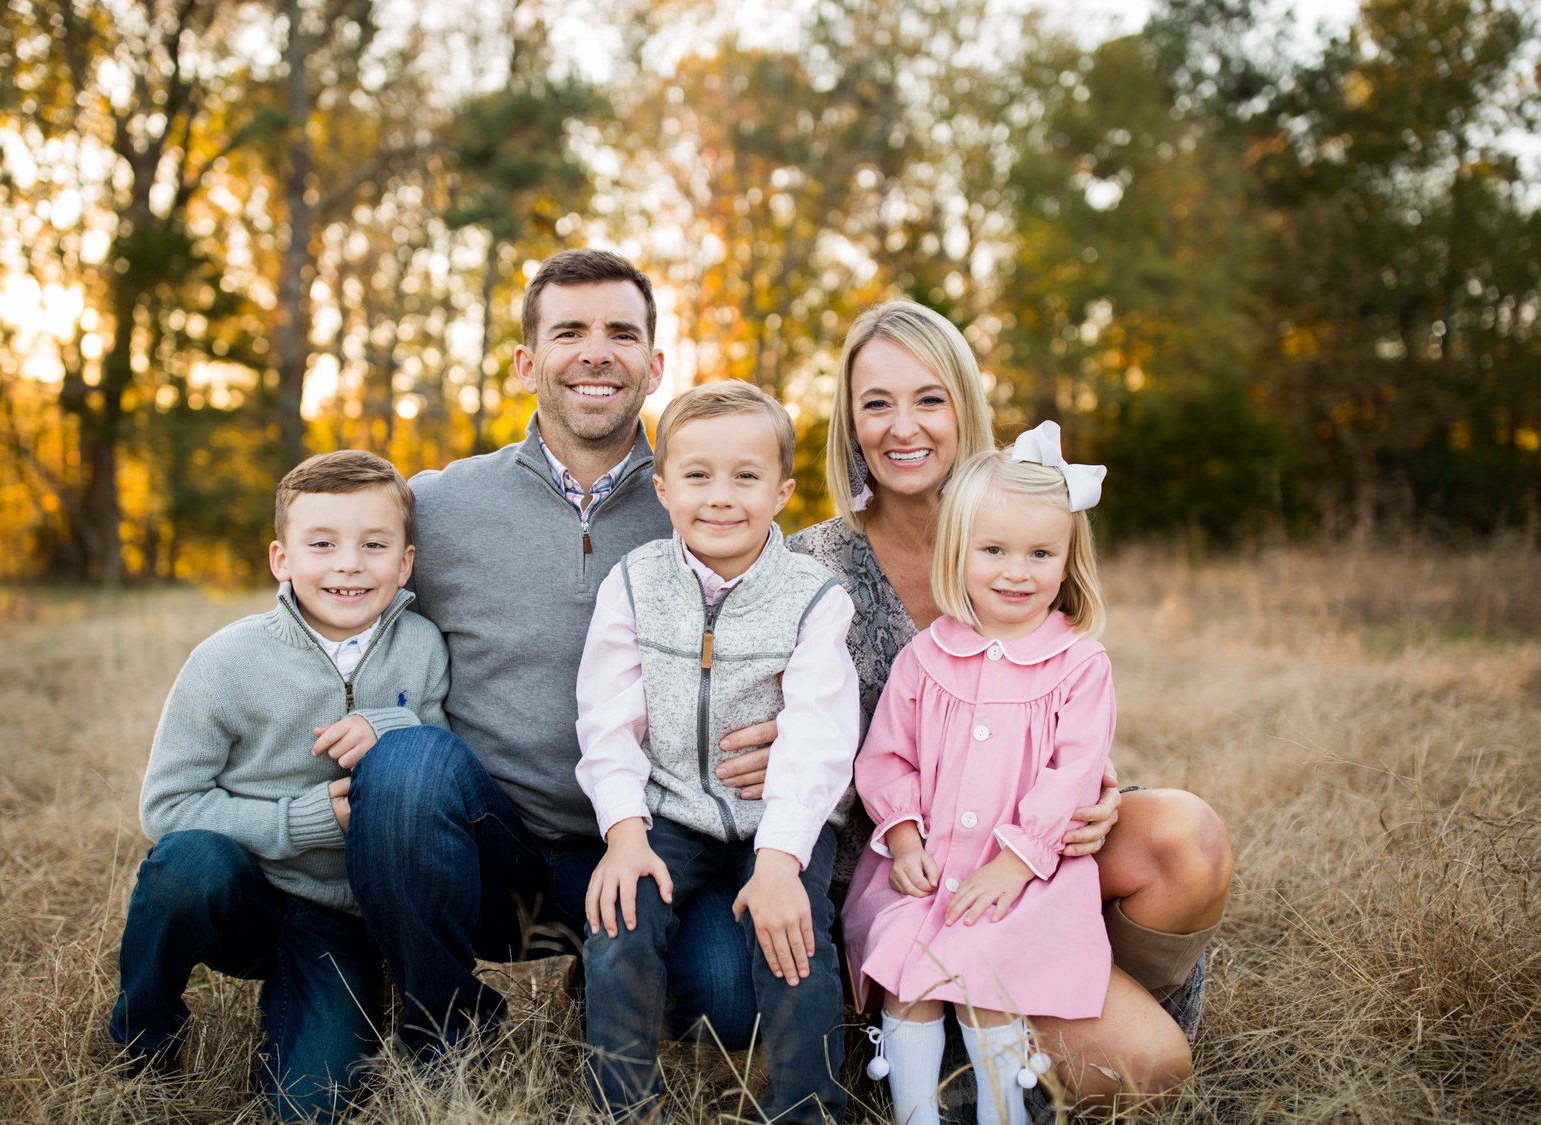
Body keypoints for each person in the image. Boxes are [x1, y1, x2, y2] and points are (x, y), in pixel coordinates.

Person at [777, 299, 1232, 1107]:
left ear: (965, 405)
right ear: (849, 422)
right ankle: (924, 1031)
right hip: (905, 874)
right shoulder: (809, 567)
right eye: (876, 402)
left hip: (1028, 854)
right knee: (1149, 1068)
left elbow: (1061, 695)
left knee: (1186, 839)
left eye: (929, 397)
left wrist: (1091, 785)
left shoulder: (1022, 522)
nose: (902, 425)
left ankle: (1056, 985)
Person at [339, 249, 766, 1064]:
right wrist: (369, 717)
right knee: (404, 767)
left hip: (653, 849)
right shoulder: (437, 504)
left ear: (655, 363)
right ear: (528, 362)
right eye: (569, 331)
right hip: (489, 846)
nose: (596, 352)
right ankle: (445, 1026)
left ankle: (602, 969)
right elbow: (338, 616)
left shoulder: (712, 507)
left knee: (731, 1002)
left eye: (621, 333)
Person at [109, 450, 452, 1122]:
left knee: (315, 1104)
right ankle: (144, 1033)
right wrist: (302, 820)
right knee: (186, 863)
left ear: (405, 562)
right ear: (281, 558)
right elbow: (167, 806)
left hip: (342, 916)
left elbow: (443, 760)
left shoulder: (424, 646)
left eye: (373, 544)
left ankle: (336, 1000)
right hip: (247, 890)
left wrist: (392, 724)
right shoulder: (226, 660)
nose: (348, 563)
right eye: (321, 544)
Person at [846, 425, 1154, 1125]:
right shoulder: (927, 658)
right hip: (928, 872)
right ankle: (918, 1114)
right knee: (908, 971)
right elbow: (887, 756)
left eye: (1040, 553)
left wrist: (1016, 862)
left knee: (988, 972)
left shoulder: (1078, 665)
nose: (1017, 572)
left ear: (1069, 560)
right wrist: (902, 841)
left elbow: (1073, 773)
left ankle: (1001, 1114)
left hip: (1026, 881)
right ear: (960, 553)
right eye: (994, 551)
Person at [574, 381, 857, 1122]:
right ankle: (626, 1104)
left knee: (791, 931)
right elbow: (607, 720)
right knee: (620, 914)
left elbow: (818, 736)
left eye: (746, 476)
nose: (720, 497)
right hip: (669, 808)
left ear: (783, 490)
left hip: (780, 819)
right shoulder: (633, 584)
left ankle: (808, 1105)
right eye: (697, 475)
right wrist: (625, 832)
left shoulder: (814, 596)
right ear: (663, 487)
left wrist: (779, 860)